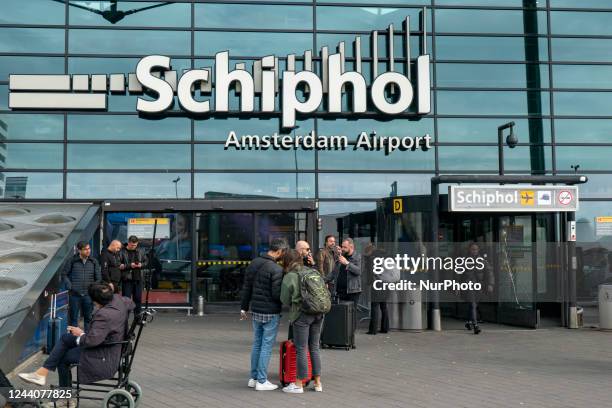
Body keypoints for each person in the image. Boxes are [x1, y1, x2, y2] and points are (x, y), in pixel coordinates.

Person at [18, 282, 134, 408]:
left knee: (62, 359)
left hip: (103, 354)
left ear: (96, 300)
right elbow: (131, 303)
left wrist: (81, 334)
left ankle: (65, 399)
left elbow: (91, 341)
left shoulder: (105, 315)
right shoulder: (121, 301)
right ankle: (42, 373)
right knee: (66, 338)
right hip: (111, 347)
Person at [240, 237, 288, 391]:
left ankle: (253, 378)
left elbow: (247, 286)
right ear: (279, 251)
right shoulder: (277, 269)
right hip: (270, 313)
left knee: (257, 344)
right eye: (283, 252)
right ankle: (261, 380)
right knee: (266, 346)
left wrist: (244, 307)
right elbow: (276, 294)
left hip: (256, 310)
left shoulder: (254, 262)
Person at [280, 249, 324, 394]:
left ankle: (299, 384)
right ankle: (317, 383)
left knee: (301, 349)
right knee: (314, 347)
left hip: (302, 315)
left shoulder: (290, 276)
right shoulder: (312, 271)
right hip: (319, 312)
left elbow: (285, 300)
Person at [62, 241, 101, 331]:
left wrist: (92, 288)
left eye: (89, 248)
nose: (88, 251)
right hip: (74, 295)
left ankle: (87, 340)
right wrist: (69, 285)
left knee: (88, 318)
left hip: (88, 295)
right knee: (73, 319)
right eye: (85, 249)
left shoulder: (93, 261)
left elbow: (98, 278)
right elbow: (64, 274)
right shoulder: (72, 261)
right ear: (79, 250)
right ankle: (73, 340)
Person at [463, 242, 495, 335]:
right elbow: (459, 274)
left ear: (478, 250)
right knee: (473, 304)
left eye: (476, 249)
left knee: (474, 305)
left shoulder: (482, 261)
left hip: (479, 286)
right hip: (468, 286)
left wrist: (490, 284)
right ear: (469, 250)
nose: (474, 251)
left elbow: (489, 272)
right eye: (473, 249)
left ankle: (468, 322)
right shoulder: (464, 261)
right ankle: (475, 325)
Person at [121, 235, 147, 316]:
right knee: (126, 300)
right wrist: (129, 265)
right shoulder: (122, 251)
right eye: (132, 245)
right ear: (128, 243)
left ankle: (137, 317)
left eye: (135, 245)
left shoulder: (141, 251)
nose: (134, 247)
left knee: (138, 299)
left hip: (138, 279)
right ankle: (125, 318)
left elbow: (146, 262)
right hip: (127, 279)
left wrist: (141, 265)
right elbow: (119, 264)